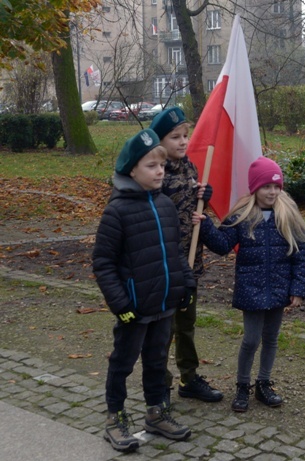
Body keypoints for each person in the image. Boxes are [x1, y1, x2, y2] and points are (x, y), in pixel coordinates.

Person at [92, 128, 195, 452]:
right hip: (134, 309)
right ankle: (115, 418)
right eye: (151, 166)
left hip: (163, 304)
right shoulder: (117, 211)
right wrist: (120, 303)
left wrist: (186, 283)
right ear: (131, 169)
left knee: (156, 362)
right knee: (123, 363)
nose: (160, 171)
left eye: (161, 166)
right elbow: (103, 263)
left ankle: (156, 412)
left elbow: (175, 249)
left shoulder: (165, 204)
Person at [195, 156, 305, 412]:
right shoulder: (242, 216)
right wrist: (204, 225)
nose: (272, 192)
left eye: (276, 186)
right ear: (255, 188)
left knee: (271, 339)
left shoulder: (288, 215)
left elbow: (302, 255)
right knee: (250, 340)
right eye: (266, 187)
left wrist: (298, 289)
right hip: (251, 289)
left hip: (279, 289)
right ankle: (242, 385)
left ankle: (264, 384)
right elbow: (222, 245)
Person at [150, 107, 224, 403]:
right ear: (160, 141)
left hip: (190, 263)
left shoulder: (191, 168)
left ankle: (189, 378)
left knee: (186, 325)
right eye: (175, 137)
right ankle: (160, 384)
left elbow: (193, 210)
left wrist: (203, 197)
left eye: (185, 136)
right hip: (164, 265)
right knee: (163, 329)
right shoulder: (156, 172)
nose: (183, 142)